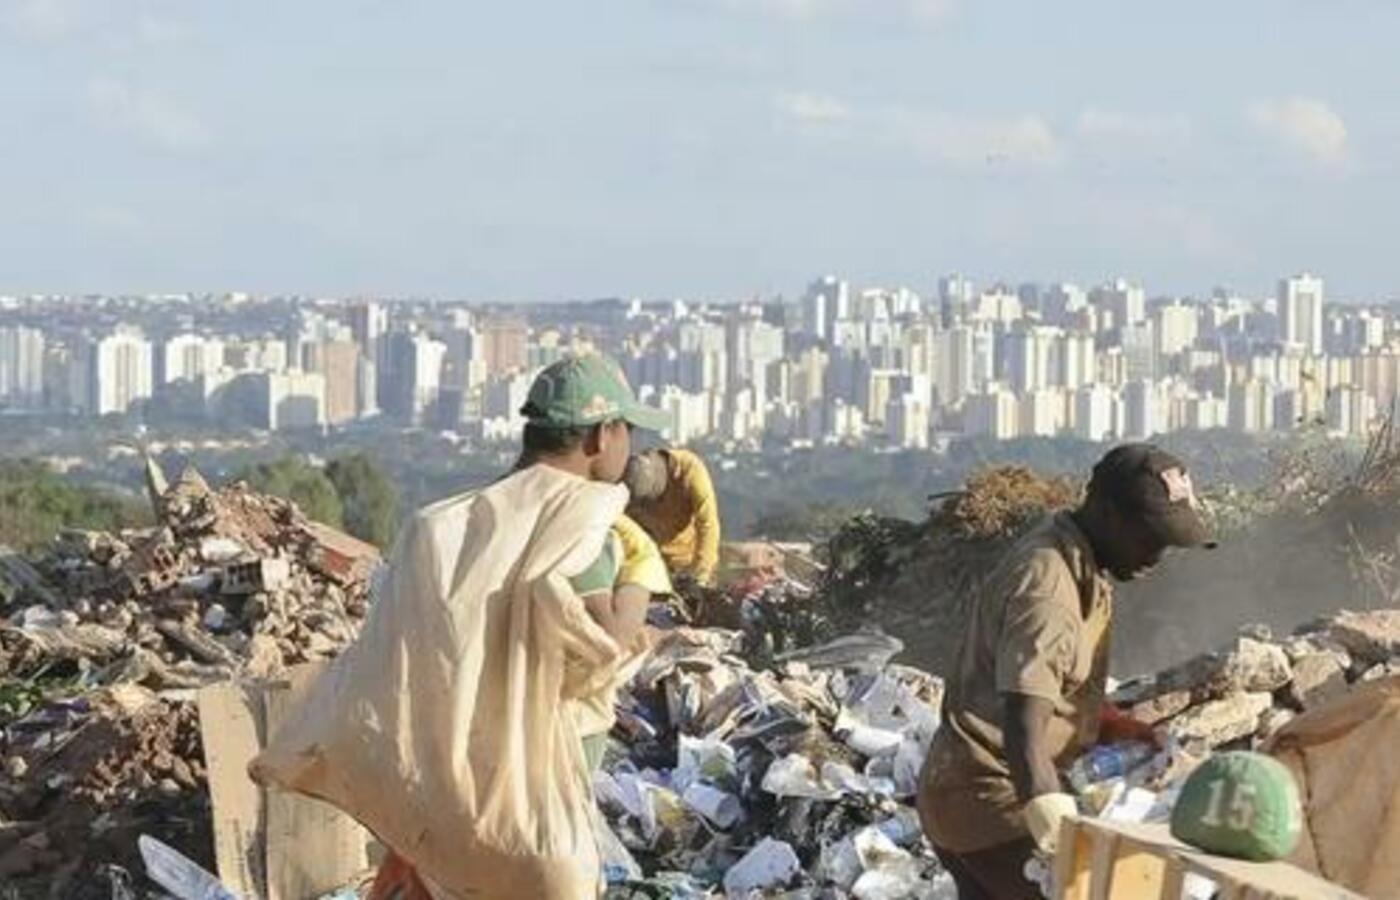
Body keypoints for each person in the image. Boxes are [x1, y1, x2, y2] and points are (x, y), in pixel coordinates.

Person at [253, 353, 670, 900]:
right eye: (627, 432)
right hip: (529, 813)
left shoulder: (445, 525)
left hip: (440, 803)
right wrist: (640, 573)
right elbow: (605, 646)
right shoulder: (579, 524)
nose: (631, 448)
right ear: (599, 438)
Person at [917, 444, 1215, 900]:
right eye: (1150, 537)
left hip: (960, 796)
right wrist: (1056, 832)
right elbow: (1022, 724)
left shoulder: (1077, 559)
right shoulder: (1050, 588)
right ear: (1108, 513)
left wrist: (1111, 723)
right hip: (993, 807)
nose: (1157, 556)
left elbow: (1050, 683)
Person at [623, 447, 721, 587]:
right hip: (653, 564)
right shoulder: (628, 483)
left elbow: (707, 523)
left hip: (690, 561)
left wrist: (701, 574)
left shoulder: (690, 469)